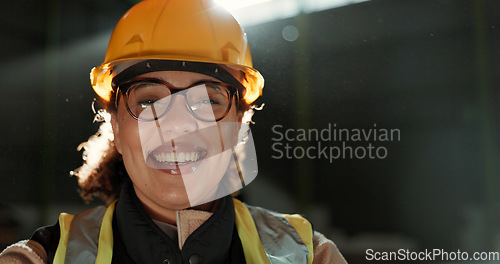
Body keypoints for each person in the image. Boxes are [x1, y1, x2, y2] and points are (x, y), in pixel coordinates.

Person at [0, 0, 347, 263]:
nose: (178, 124)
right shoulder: (42, 258)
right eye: (149, 101)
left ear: (239, 126)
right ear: (117, 127)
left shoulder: (309, 255)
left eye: (208, 101)